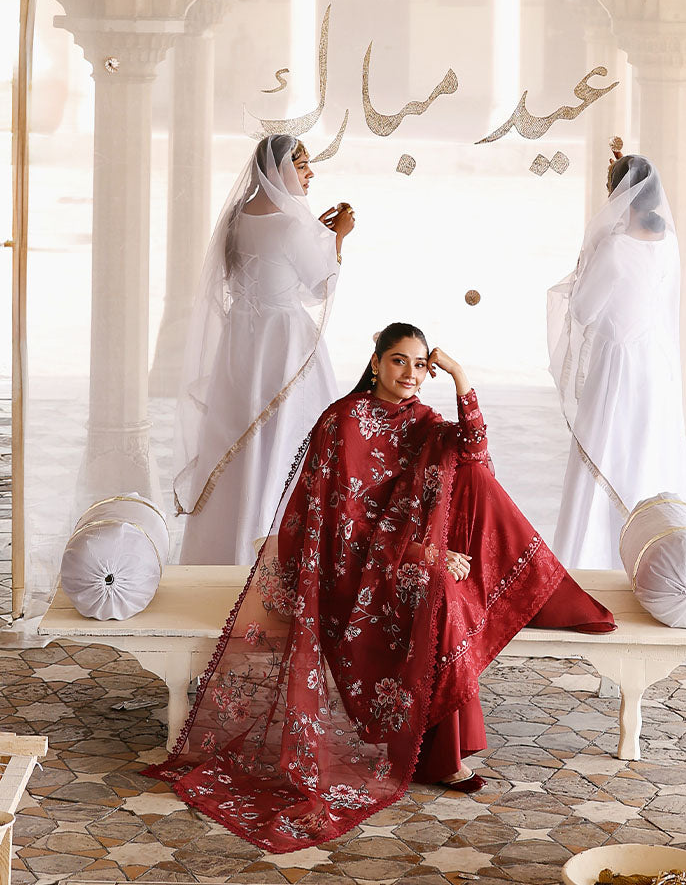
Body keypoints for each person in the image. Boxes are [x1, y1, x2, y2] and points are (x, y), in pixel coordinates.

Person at [145, 323, 614, 852]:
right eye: (398, 360)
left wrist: (461, 378)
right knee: (438, 595)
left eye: (420, 365)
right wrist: (426, 554)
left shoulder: (424, 422)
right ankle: (440, 756)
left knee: (468, 514)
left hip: (400, 558)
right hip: (348, 568)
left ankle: (442, 748)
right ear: (375, 363)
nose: (410, 373)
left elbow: (475, 451)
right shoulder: (345, 421)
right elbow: (345, 523)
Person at [175, 133, 354, 564]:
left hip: (241, 342)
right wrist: (338, 238)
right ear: (279, 170)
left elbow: (258, 272)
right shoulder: (290, 225)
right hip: (284, 343)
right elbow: (318, 286)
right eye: (302, 165)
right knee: (288, 436)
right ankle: (280, 547)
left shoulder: (237, 217)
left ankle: (230, 545)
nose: (310, 174)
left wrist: (316, 233)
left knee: (240, 439)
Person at [547, 154, 686, 569]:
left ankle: (594, 557)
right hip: (656, 363)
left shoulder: (614, 247)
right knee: (647, 448)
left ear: (618, 193)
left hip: (618, 363)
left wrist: (588, 258)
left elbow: (584, 309)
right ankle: (653, 553)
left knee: (607, 448)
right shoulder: (667, 241)